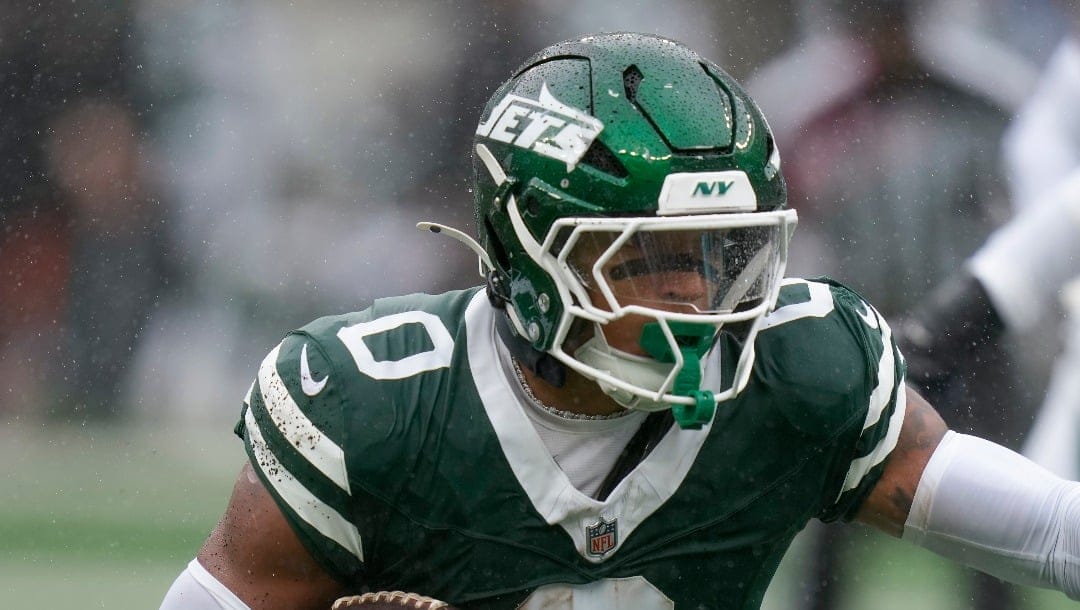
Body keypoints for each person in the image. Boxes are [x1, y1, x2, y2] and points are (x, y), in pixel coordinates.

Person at [160, 33, 1080, 609]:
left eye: (718, 255)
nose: (695, 298)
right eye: (646, 259)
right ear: (527, 254)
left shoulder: (799, 372)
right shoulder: (375, 409)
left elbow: (1053, 535)